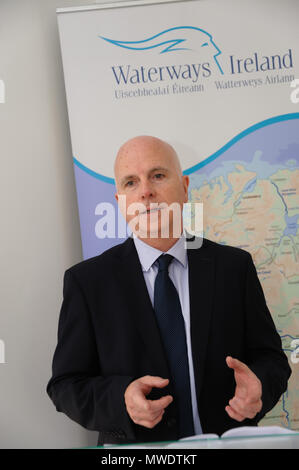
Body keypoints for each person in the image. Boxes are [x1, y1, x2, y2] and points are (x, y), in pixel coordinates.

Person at [47, 136, 291, 446]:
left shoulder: (234, 268)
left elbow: (271, 359)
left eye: (158, 175)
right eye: (131, 183)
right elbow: (65, 386)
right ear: (120, 200)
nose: (146, 191)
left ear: (185, 186)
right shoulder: (88, 282)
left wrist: (259, 385)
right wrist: (121, 399)